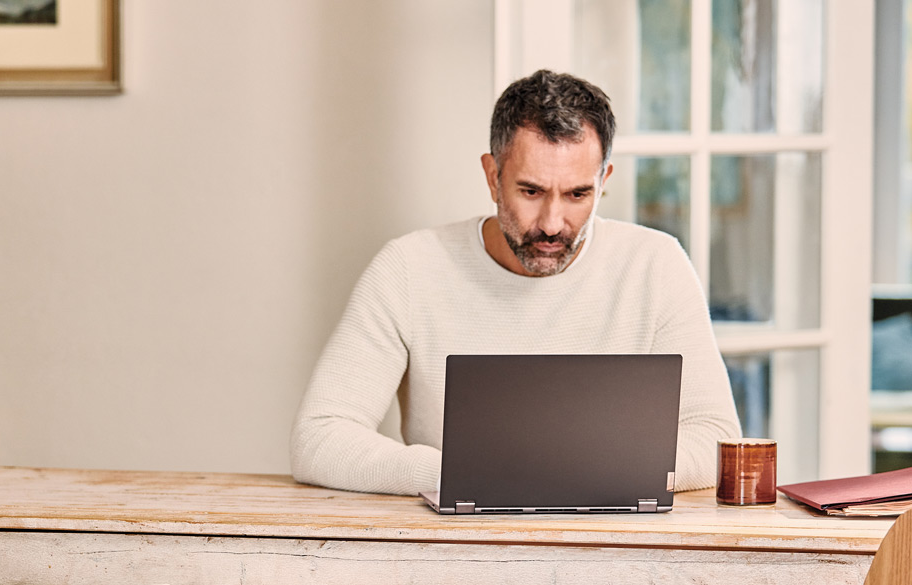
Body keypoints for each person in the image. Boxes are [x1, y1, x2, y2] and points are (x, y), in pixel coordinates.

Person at [291, 70, 741, 496]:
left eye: (577, 194)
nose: (551, 223)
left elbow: (716, 438)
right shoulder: (408, 269)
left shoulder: (655, 265)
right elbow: (320, 437)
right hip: (457, 547)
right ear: (492, 176)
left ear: (603, 180)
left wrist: (553, 471)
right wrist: (462, 474)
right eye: (530, 191)